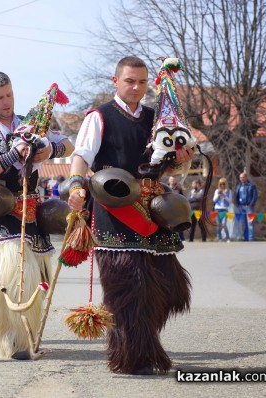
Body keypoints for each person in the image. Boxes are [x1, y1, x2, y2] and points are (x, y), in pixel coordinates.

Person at [68, 56, 194, 375]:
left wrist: (182, 159)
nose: (136, 87)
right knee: (129, 286)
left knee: (171, 286)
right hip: (114, 205)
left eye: (141, 81)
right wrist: (76, 186)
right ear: (116, 81)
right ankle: (133, 356)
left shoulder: (157, 118)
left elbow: (174, 165)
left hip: (153, 208)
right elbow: (81, 156)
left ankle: (141, 341)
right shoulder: (99, 117)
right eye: (129, 81)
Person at [0, 71, 73, 360]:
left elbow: (69, 145)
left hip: (32, 211)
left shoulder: (30, 124)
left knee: (36, 274)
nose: (6, 101)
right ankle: (10, 340)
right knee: (10, 272)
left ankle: (24, 334)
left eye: (9, 94)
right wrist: (12, 156)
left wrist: (49, 149)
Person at [234, 172, 258, 241]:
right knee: (243, 224)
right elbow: (236, 196)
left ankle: (251, 238)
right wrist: (237, 204)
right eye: (240, 177)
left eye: (243, 177)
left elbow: (255, 196)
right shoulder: (239, 186)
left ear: (246, 177)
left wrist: (251, 204)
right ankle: (245, 238)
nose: (241, 179)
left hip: (249, 207)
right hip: (241, 206)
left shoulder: (251, 186)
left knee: (250, 223)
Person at [213, 177, 232, 242]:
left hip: (225, 209)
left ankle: (228, 238)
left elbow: (230, 201)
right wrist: (218, 194)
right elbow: (214, 200)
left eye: (223, 184)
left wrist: (224, 196)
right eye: (221, 184)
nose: (222, 185)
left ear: (226, 184)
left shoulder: (229, 191)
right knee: (218, 225)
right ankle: (220, 238)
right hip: (217, 209)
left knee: (224, 224)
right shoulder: (216, 191)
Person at [167, 176, 185, 241]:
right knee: (169, 223)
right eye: (171, 180)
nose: (172, 181)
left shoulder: (179, 188)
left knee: (179, 223)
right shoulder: (166, 187)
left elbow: (182, 197)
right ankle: (170, 237)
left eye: (173, 180)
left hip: (177, 208)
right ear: (169, 181)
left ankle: (182, 238)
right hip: (169, 208)